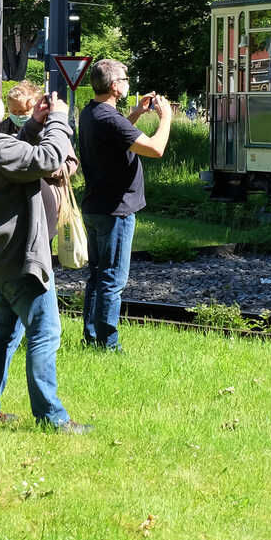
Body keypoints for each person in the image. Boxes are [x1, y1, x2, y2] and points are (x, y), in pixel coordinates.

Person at [0, 71, 88, 432]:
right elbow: (49, 158)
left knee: (4, 332)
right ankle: (52, 419)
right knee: (45, 333)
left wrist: (31, 126)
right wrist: (58, 120)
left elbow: (10, 157)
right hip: (21, 258)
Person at [79, 59, 171, 352]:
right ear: (115, 86)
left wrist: (136, 114)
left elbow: (116, 137)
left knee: (96, 276)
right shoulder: (110, 119)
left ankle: (92, 337)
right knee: (112, 279)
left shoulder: (91, 113)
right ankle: (108, 344)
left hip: (95, 206)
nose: (129, 82)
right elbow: (156, 149)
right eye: (126, 78)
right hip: (116, 210)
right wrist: (165, 117)